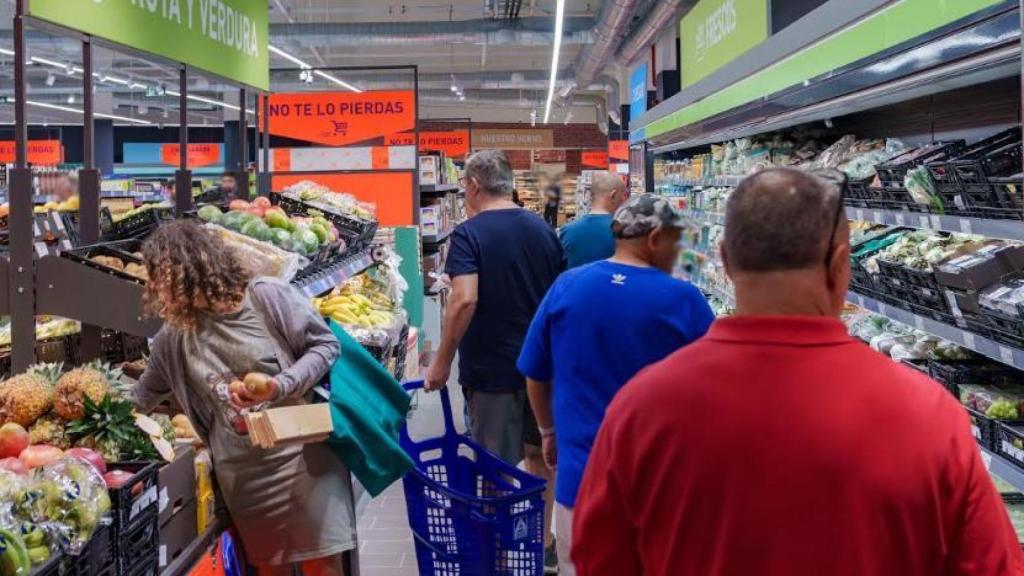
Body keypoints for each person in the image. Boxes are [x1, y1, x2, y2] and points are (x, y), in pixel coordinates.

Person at [572, 168, 1024, 576]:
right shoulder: (930, 415)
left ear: (726, 262)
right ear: (841, 264)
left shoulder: (641, 408)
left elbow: (599, 558)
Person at [133, 220, 355, 576]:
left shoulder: (265, 296)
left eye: (163, 275)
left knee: (324, 566)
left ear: (194, 267)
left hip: (305, 459)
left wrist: (280, 384)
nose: (156, 287)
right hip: (246, 476)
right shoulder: (173, 337)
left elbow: (325, 345)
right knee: (271, 570)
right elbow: (141, 396)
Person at [518, 194, 714, 575]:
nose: (679, 251)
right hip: (660, 487)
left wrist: (547, 431)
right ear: (656, 239)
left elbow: (535, 372)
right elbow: (718, 386)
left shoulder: (567, 285)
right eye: (677, 240)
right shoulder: (683, 300)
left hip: (581, 481)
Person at [424, 149, 562, 567]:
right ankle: (541, 545)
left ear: (473, 186)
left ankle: (501, 552)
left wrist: (442, 361)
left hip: (493, 372)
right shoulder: (542, 229)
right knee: (541, 455)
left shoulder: (469, 234)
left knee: (494, 464)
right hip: (543, 368)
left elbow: (464, 301)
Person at [559, 171, 626, 268]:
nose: (623, 201)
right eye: (623, 196)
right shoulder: (624, 231)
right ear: (613, 196)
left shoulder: (567, 230)